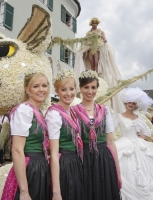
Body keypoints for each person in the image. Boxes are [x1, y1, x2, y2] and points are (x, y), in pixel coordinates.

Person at [71, 70, 121, 200]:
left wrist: (118, 171)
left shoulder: (104, 111)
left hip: (103, 158)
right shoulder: (73, 111)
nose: (90, 91)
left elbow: (110, 142)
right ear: (80, 88)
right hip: (83, 159)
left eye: (93, 87)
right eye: (86, 87)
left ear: (97, 89)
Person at [1, 72, 50, 200]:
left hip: (40, 167)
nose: (41, 90)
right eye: (36, 86)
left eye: (44, 85)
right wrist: (24, 191)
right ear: (27, 90)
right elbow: (17, 150)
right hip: (29, 168)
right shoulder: (23, 110)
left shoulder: (37, 111)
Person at [114, 87, 153, 200]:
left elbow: (147, 131)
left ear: (136, 104)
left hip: (138, 144)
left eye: (133, 102)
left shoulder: (139, 117)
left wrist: (140, 137)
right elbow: (110, 129)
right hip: (124, 144)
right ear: (125, 102)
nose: (131, 104)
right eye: (129, 102)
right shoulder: (119, 116)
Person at [45, 70, 84, 200]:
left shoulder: (72, 112)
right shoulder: (54, 114)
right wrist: (56, 191)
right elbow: (54, 154)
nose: (68, 93)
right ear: (57, 91)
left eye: (71, 89)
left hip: (75, 163)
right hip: (63, 165)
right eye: (63, 90)